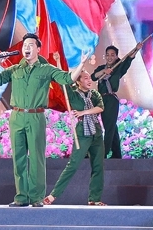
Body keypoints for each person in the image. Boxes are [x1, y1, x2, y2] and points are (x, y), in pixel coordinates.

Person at [0, 33, 88, 207]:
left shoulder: (46, 69)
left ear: (38, 49)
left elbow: (68, 78)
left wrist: (81, 64)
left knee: (36, 158)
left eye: (31, 45)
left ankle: (36, 198)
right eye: (24, 45)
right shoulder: (15, 69)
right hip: (17, 116)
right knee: (18, 158)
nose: (26, 48)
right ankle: (21, 197)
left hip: (36, 116)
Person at [45, 63, 105, 206]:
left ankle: (94, 199)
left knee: (98, 166)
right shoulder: (72, 94)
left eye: (89, 78)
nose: (89, 80)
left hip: (96, 132)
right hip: (82, 132)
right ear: (78, 81)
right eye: (85, 78)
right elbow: (63, 82)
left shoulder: (94, 94)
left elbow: (100, 108)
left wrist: (83, 112)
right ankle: (53, 195)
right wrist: (59, 63)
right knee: (73, 164)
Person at [91, 43, 142, 159]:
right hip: (100, 99)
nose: (109, 57)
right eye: (107, 55)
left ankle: (103, 154)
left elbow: (129, 59)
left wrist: (136, 49)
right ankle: (117, 154)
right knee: (112, 127)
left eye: (112, 55)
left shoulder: (119, 67)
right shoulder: (101, 68)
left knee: (109, 128)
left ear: (116, 56)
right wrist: (104, 71)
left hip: (111, 99)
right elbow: (93, 77)